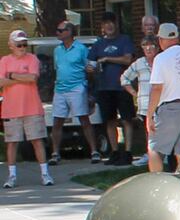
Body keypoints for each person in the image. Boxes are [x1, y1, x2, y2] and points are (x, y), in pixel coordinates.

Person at [146, 23, 180, 172]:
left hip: (170, 108)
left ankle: (156, 185)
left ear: (161, 39)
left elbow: (157, 88)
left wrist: (149, 115)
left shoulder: (161, 58)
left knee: (154, 148)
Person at [1, 31, 53, 187]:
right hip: (11, 108)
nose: (22, 47)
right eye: (19, 44)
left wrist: (11, 75)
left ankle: (45, 174)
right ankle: (11, 176)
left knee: (37, 140)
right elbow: (1, 82)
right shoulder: (4, 60)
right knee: (12, 142)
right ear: (11, 45)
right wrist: (20, 77)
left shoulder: (32, 59)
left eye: (24, 44)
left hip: (32, 108)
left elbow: (33, 78)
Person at [48, 20, 99, 166]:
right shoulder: (57, 50)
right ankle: (55, 153)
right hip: (60, 88)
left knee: (83, 118)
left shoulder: (81, 49)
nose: (57, 33)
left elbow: (90, 67)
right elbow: (57, 69)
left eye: (60, 30)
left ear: (69, 32)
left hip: (77, 87)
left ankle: (94, 151)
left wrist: (88, 85)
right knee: (57, 120)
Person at [88, 11, 136, 164]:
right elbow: (90, 64)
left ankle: (128, 152)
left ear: (116, 24)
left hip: (122, 86)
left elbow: (128, 59)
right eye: (105, 23)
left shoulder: (124, 40)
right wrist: (91, 68)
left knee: (127, 119)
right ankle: (115, 152)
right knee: (109, 120)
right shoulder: (98, 44)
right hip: (104, 87)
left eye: (111, 22)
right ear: (102, 26)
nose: (109, 25)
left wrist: (108, 58)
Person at [121, 36, 160, 167]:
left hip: (162, 103)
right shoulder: (138, 63)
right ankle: (149, 155)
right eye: (145, 45)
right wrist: (134, 93)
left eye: (151, 45)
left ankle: (163, 155)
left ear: (157, 47)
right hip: (145, 104)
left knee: (163, 130)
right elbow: (124, 78)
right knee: (149, 131)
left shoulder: (162, 61)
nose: (148, 48)